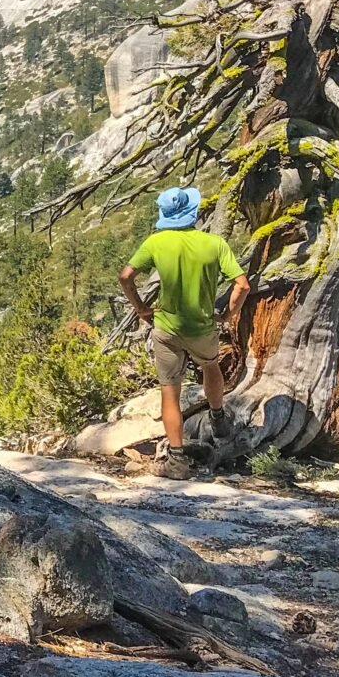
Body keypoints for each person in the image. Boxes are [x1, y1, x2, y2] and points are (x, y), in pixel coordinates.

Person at [119, 185, 250, 480]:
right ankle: (217, 417)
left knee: (170, 390)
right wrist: (229, 313)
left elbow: (126, 276)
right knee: (210, 365)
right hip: (203, 326)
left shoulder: (156, 242)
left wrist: (141, 308)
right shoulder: (214, 244)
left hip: (166, 327)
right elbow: (242, 285)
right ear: (191, 212)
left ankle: (177, 461)